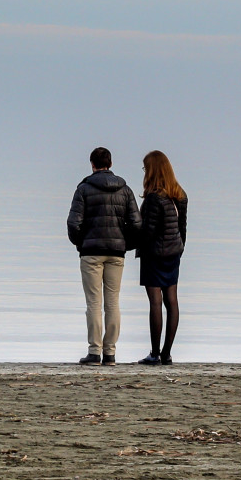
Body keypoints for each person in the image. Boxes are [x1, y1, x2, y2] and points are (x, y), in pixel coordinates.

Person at [67, 147, 140, 365]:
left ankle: (94, 352)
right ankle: (110, 353)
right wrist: (126, 245)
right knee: (113, 302)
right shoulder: (125, 189)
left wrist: (81, 243)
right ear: (110, 163)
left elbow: (73, 223)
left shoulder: (83, 189)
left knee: (93, 303)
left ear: (92, 164)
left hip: (91, 252)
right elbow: (136, 223)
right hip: (116, 252)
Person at [135, 151, 188, 366]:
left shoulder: (153, 198)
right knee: (172, 301)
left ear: (152, 170)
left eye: (145, 168)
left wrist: (134, 241)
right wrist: (180, 247)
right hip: (173, 253)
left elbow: (148, 232)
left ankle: (155, 353)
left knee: (155, 302)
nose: (144, 172)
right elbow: (182, 227)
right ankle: (167, 353)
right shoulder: (180, 194)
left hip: (154, 254)